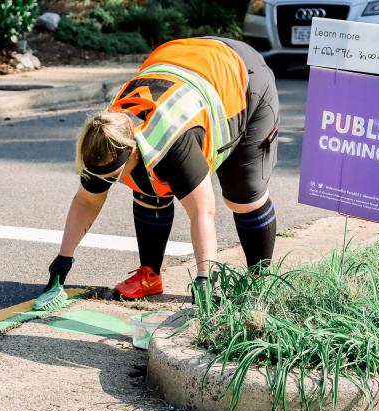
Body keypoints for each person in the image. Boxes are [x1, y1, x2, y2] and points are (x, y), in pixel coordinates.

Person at [35, 37, 280, 310]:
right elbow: (87, 200)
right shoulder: (103, 135)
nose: (109, 182)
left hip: (241, 76)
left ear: (132, 151)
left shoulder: (174, 144)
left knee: (242, 195)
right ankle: (149, 276)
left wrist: (204, 279)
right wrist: (63, 258)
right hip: (181, 60)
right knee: (146, 184)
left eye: (113, 175)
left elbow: (202, 212)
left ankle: (260, 282)